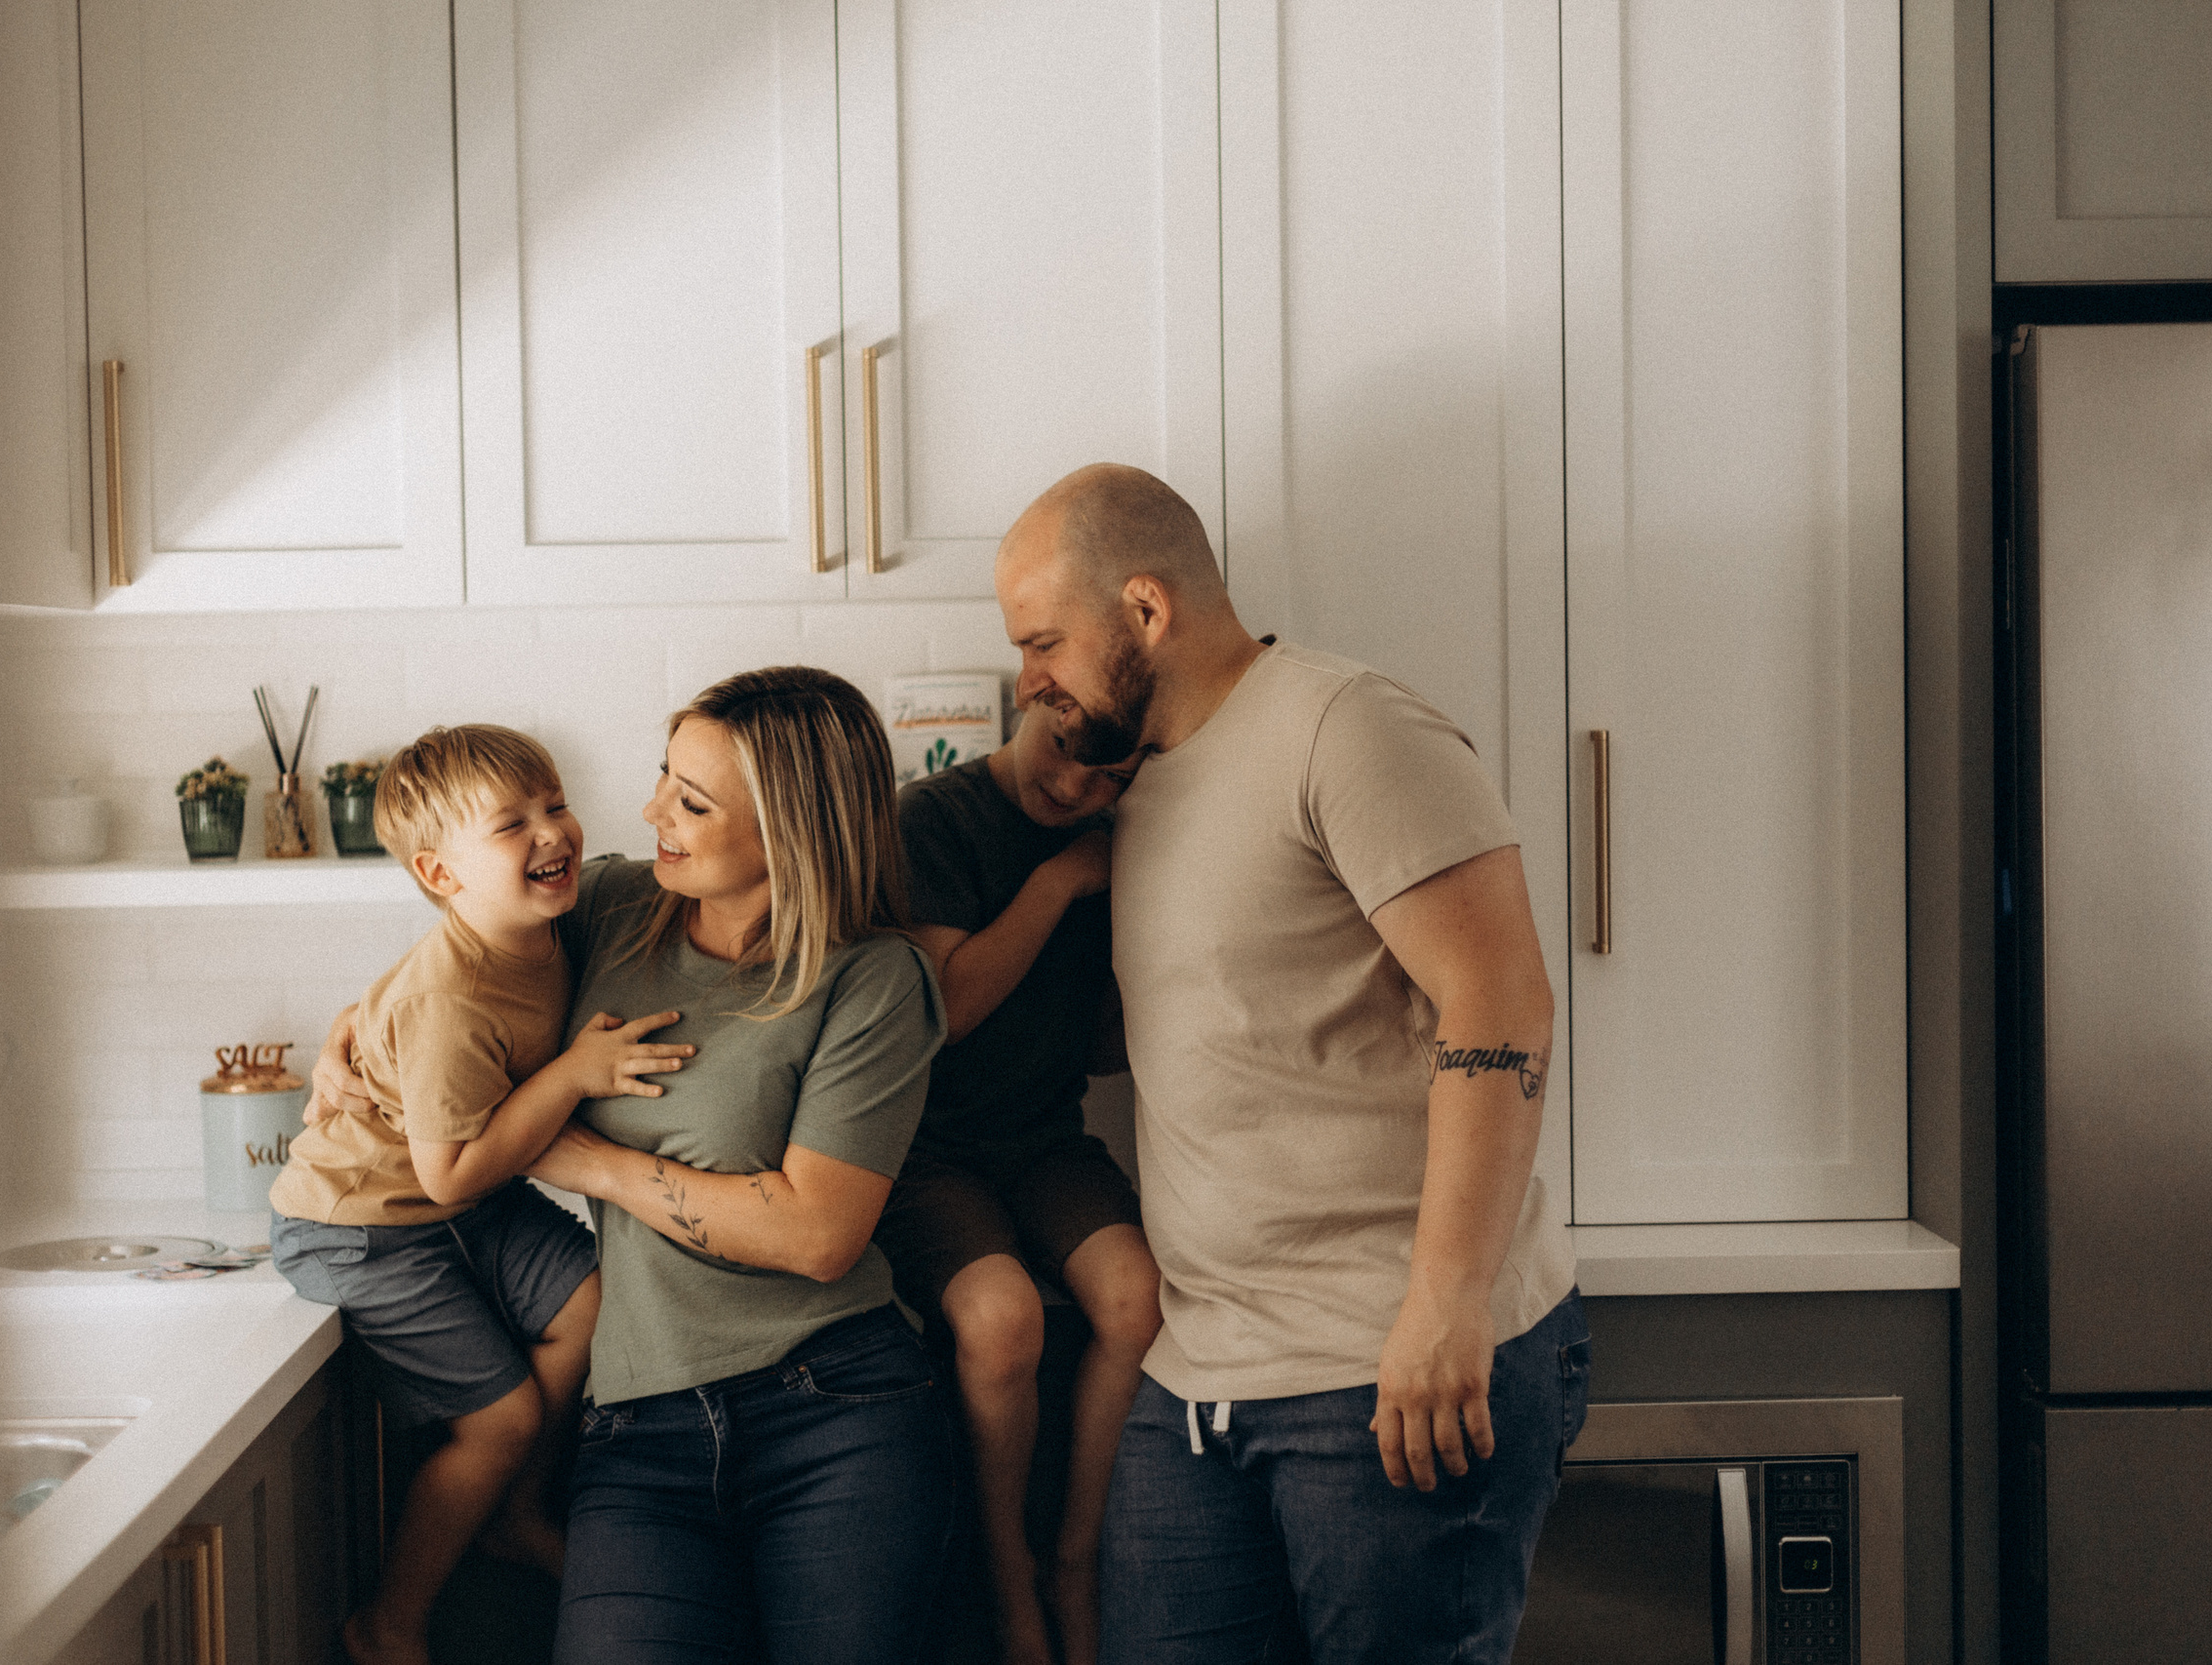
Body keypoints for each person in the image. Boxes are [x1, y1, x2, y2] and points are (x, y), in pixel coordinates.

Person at [993, 465, 1590, 1665]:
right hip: (1198, 1374)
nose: (1030, 681)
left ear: (1146, 611)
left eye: (1044, 642)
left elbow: (1503, 1002)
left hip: (1382, 1365)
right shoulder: (1141, 786)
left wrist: (1445, 1303)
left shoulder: (1345, 726)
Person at [515, 666, 957, 1663]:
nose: (650, 811)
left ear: (789, 832)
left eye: (692, 801)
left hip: (838, 1414)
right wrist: (357, 1035)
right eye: (665, 779)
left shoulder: (872, 981)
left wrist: (594, 1164)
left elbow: (816, 1233)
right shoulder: (611, 907)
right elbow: (452, 974)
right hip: (636, 1428)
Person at [265, 724, 693, 1665]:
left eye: (553, 803)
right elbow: (448, 1168)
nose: (551, 832)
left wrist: (347, 1028)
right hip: (362, 1226)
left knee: (598, 1297)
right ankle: (392, 1621)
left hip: (459, 1207)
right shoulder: (450, 996)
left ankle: (508, 1511)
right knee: (500, 1420)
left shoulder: (544, 926)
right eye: (512, 822)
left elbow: (382, 1024)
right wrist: (577, 1072)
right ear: (442, 872)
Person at [875, 698, 1162, 1665]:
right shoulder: (932, 820)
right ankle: (1007, 1586)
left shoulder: (1117, 836)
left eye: (1109, 779)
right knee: (1002, 1322)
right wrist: (1062, 881)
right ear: (1032, 700)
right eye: (1063, 753)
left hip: (1044, 1140)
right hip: (924, 1149)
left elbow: (1107, 1049)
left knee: (1137, 1298)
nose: (1075, 787)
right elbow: (946, 1011)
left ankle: (1077, 1560)